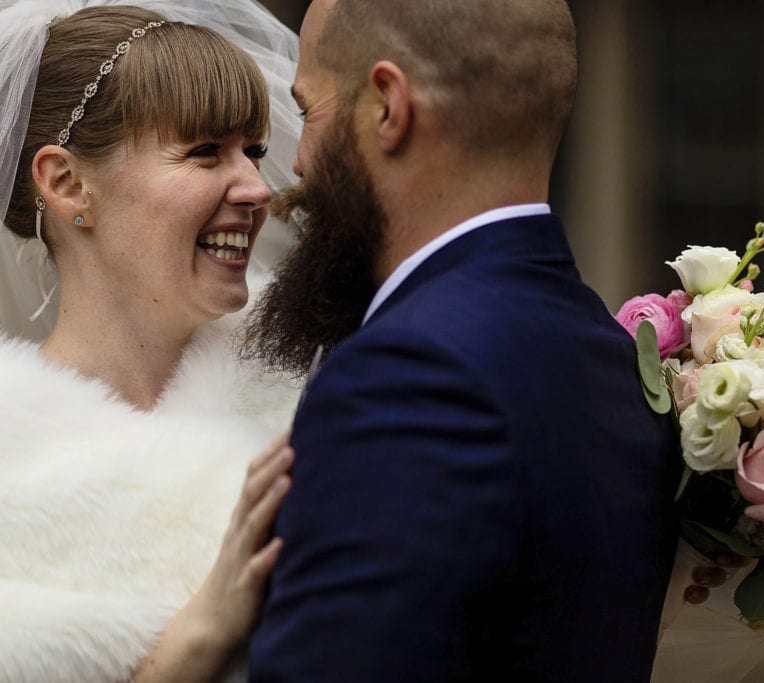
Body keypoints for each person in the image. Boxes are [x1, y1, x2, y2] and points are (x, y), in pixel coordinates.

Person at [244, 1, 681, 680]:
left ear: (388, 106)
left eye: (307, 112)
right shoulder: (611, 354)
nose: (295, 163)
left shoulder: (407, 378)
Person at [0, 1, 304, 680]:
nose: (258, 188)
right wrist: (199, 636)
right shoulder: (8, 471)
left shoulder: (321, 386)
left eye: (253, 152)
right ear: (67, 182)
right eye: (204, 152)